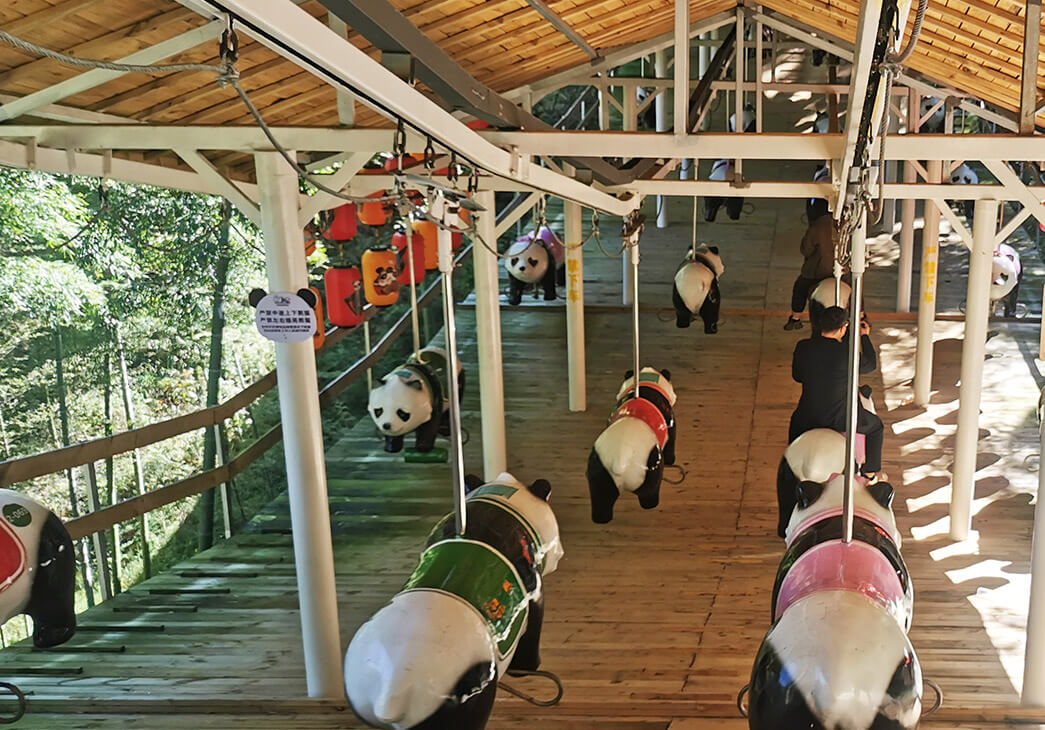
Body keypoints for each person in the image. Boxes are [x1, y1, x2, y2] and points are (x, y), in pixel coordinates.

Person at [788, 305, 883, 482]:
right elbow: (870, 365)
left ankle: (791, 473)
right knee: (876, 427)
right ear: (842, 328)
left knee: (794, 431)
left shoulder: (803, 347)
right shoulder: (847, 352)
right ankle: (870, 474)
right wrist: (864, 337)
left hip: (807, 416)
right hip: (841, 418)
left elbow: (797, 376)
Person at [785, 214, 839, 330]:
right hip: (841, 271)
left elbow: (806, 250)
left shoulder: (818, 226)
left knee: (800, 288)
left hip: (817, 272)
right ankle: (860, 314)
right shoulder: (848, 223)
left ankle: (795, 317)